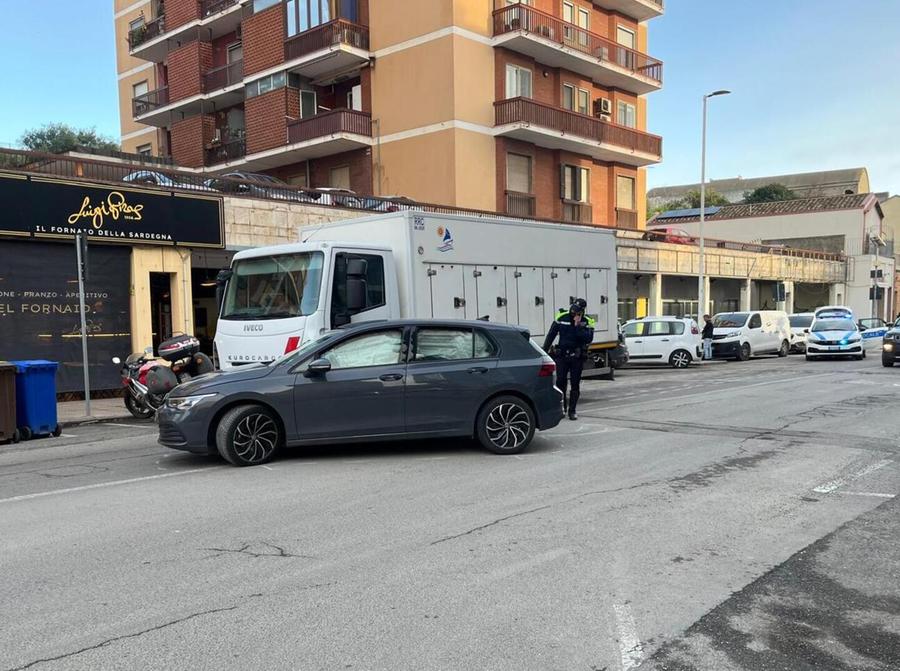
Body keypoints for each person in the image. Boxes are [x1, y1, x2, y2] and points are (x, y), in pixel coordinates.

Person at [543, 301, 594, 420]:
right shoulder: (562, 317)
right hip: (562, 356)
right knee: (560, 382)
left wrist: (577, 326)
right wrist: (544, 351)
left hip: (577, 357)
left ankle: (572, 410)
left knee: (575, 384)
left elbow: (588, 338)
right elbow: (551, 334)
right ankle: (562, 409)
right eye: (572, 310)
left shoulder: (587, 321)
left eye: (576, 311)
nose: (573, 313)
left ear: (582, 311)